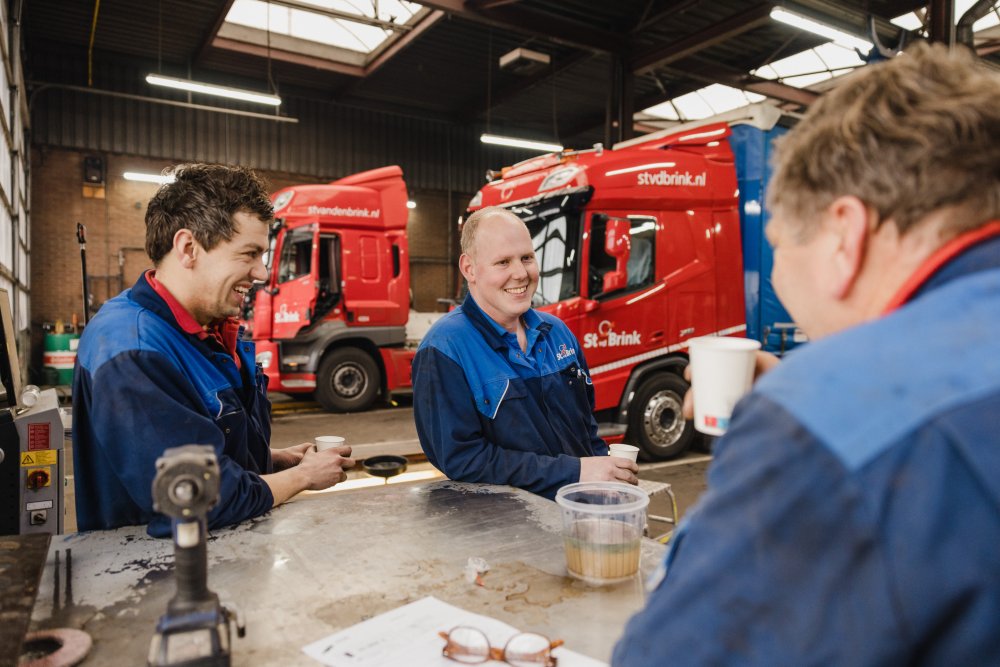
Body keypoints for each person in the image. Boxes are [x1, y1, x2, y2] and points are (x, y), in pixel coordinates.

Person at [614, 41, 1000, 665]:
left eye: (780, 248)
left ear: (845, 237)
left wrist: (790, 431)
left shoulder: (831, 411)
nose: (786, 296)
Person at [73, 164, 354, 537]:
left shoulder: (209, 333)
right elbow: (199, 498)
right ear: (189, 248)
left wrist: (275, 460)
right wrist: (302, 476)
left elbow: (200, 448)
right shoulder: (132, 350)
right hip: (153, 576)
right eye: (249, 254)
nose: (261, 273)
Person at [412, 207, 637, 499]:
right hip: (511, 528)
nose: (520, 273)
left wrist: (610, 483)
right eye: (503, 262)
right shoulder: (445, 348)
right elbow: (462, 460)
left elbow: (586, 429)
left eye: (527, 258)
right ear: (469, 269)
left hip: (583, 510)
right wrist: (575, 472)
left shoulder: (557, 333)